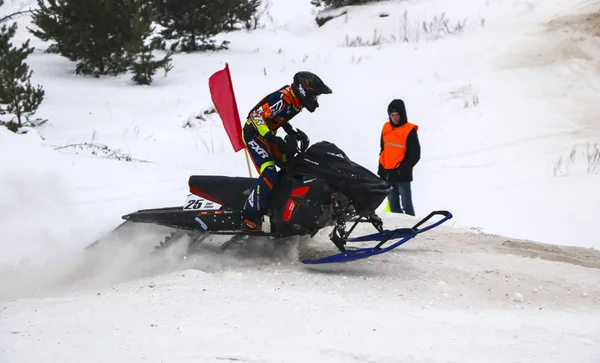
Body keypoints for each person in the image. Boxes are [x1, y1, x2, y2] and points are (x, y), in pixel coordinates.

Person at [240, 71, 332, 232]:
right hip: (253, 134)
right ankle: (250, 217)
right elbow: (256, 116)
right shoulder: (283, 99)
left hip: (267, 135)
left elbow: (280, 118)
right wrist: (269, 136)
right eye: (314, 96)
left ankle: (280, 210)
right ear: (304, 90)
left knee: (291, 165)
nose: (315, 101)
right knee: (269, 172)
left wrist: (292, 133)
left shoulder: (295, 101)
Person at [377, 99, 421, 216]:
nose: (395, 118)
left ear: (403, 114)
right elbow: (383, 150)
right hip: (388, 175)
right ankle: (399, 230)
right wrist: (381, 169)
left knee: (407, 206)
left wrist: (402, 169)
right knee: (394, 208)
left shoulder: (409, 130)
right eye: (392, 115)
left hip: (403, 176)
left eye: (397, 115)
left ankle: (412, 229)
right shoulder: (386, 127)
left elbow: (415, 154)